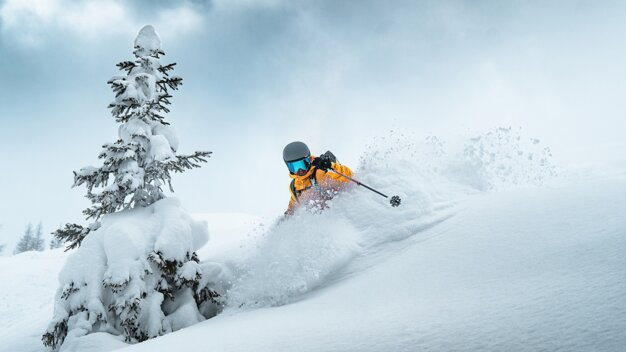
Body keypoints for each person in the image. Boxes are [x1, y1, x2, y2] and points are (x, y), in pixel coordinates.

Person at [283, 141, 354, 215]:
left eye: (303, 164)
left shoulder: (320, 172)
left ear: (309, 160)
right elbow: (292, 209)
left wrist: (330, 165)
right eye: (294, 167)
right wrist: (285, 218)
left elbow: (349, 177)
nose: (300, 170)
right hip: (317, 223)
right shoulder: (294, 187)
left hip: (337, 213)